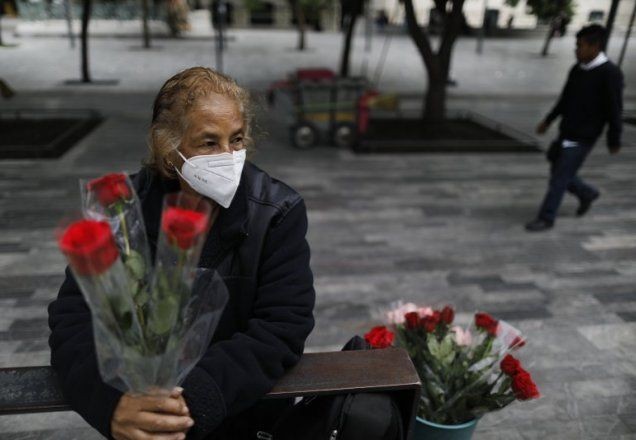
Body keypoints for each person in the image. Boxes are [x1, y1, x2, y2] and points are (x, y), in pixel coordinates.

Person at [48, 67, 316, 439]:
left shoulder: (276, 212)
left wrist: (190, 403)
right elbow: (73, 320)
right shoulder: (122, 212)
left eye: (236, 139)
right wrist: (112, 405)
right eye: (209, 143)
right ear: (169, 148)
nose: (228, 156)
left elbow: (282, 327)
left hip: (244, 418)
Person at [525, 24, 623, 232]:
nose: (576, 50)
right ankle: (586, 193)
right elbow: (565, 99)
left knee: (559, 177)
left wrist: (614, 139)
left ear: (595, 47)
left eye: (580, 46)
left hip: (584, 136)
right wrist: (549, 120)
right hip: (567, 130)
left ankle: (546, 217)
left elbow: (614, 110)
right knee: (556, 166)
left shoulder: (610, 73)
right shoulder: (577, 69)